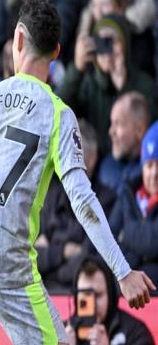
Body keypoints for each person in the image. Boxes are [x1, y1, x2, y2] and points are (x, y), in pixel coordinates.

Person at [0, 0, 155, 344]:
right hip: (9, 267)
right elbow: (82, 200)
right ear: (57, 52)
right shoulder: (57, 115)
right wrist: (122, 272)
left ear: (18, 39)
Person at [57, 13, 157, 155]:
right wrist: (77, 69)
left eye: (111, 42)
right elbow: (58, 112)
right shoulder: (87, 84)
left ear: (124, 44)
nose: (107, 50)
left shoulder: (145, 84)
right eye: (101, 42)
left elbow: (147, 127)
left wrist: (123, 87)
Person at [36, 120, 116, 290]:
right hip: (44, 293)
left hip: (82, 292)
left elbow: (89, 262)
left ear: (92, 158)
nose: (64, 161)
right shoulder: (49, 197)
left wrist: (50, 256)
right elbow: (31, 258)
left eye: (72, 155)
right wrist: (64, 251)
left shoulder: (106, 201)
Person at [109, 120, 158, 285]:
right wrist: (139, 258)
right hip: (124, 288)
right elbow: (109, 241)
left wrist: (125, 235)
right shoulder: (128, 193)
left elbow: (153, 243)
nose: (154, 173)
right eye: (149, 165)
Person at [65, 256, 154, 345]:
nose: (93, 304)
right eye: (85, 295)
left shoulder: (135, 333)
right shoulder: (62, 332)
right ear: (76, 298)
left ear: (110, 294)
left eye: (98, 295)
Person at [98, 92, 151, 194]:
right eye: (111, 123)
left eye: (118, 124)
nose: (111, 132)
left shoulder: (152, 172)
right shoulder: (106, 168)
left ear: (139, 130)